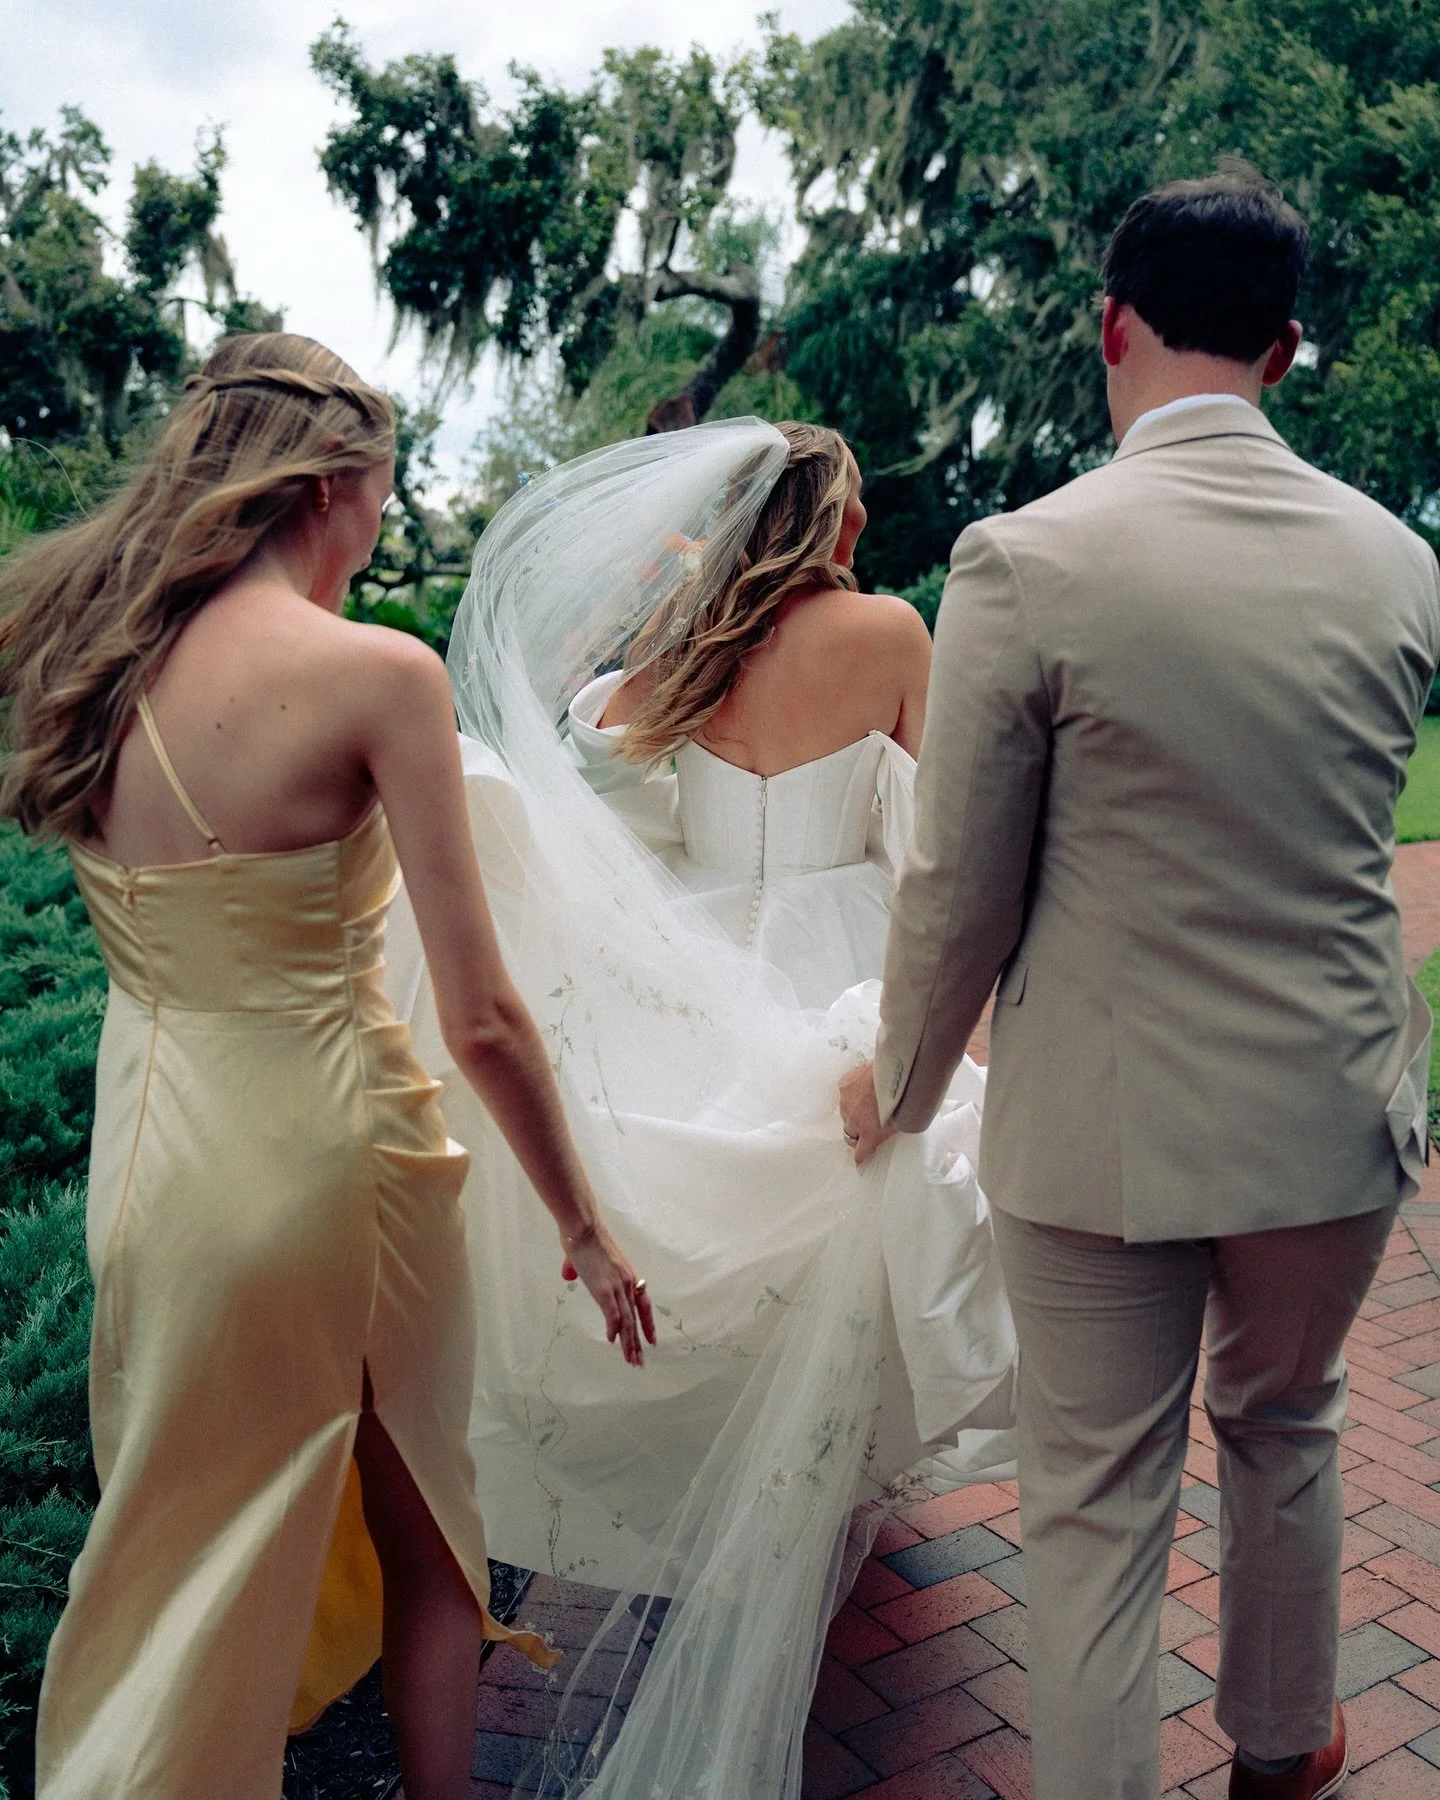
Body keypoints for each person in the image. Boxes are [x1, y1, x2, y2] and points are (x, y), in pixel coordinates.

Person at [841, 165, 1440, 1799]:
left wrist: (895, 1090)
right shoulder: (1401, 564)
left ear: (1111, 326)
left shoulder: (1028, 559)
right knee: (1288, 1426)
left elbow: (959, 888)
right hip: (1331, 1113)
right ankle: (1277, 1753)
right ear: (1289, 350)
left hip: (1101, 1133)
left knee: (1097, 1506)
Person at [0, 332, 652, 1800]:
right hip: (326, 1154)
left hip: (152, 1147)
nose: (380, 526)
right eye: (385, 494)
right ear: (335, 484)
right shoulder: (373, 674)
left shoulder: (86, 656)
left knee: (175, 1548)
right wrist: (584, 1225)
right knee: (432, 1535)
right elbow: (482, 1016)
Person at [386, 417, 1016, 1799]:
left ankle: (744, 1479)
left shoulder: (674, 663)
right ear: (828, 523)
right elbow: (932, 854)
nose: (863, 531)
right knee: (848, 1219)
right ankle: (812, 1488)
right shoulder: (891, 634)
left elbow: (606, 783)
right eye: (851, 510)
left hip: (707, 958)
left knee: (748, 1227)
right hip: (842, 951)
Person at [564, 420, 932, 1004]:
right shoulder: (892, 630)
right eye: (857, 491)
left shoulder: (684, 627)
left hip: (689, 931)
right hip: (840, 938)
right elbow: (933, 814)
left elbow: (597, 766)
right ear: (836, 510)